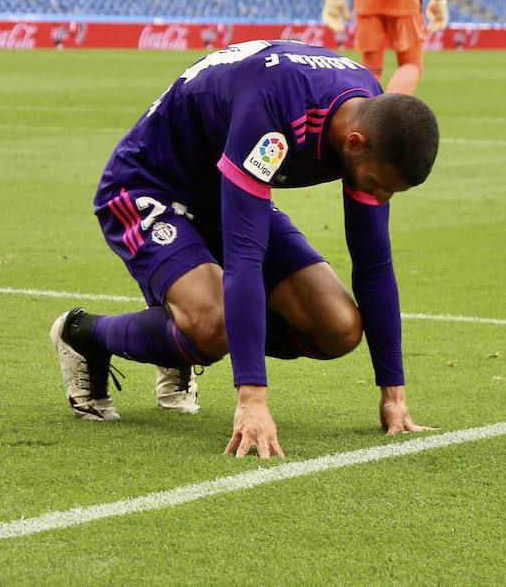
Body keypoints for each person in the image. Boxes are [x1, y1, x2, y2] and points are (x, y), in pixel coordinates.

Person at [50, 39, 440, 459]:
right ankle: (83, 335)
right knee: (212, 323)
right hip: (150, 185)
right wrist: (253, 399)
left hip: (228, 189)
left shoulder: (370, 114)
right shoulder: (273, 115)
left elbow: (374, 264)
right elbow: (245, 259)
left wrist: (393, 395)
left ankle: (175, 328)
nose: (381, 198)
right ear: (355, 143)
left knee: (338, 327)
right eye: (379, 185)